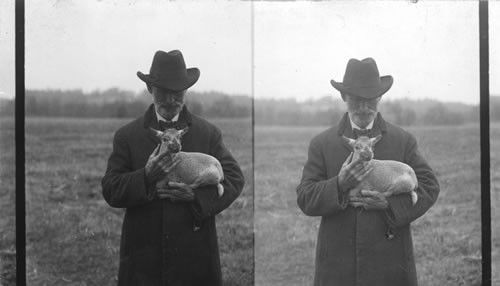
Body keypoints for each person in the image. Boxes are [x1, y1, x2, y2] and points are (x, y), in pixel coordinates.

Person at [102, 50, 245, 286]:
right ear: (150, 90)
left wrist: (197, 196)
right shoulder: (127, 136)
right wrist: (146, 177)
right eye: (163, 92)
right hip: (143, 261)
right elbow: (110, 188)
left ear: (186, 91)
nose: (170, 100)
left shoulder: (207, 133)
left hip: (195, 258)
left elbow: (234, 179)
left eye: (177, 93)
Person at [296, 58, 440, 286]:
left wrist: (390, 204)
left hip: (390, 264)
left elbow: (429, 187)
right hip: (337, 267)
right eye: (356, 99)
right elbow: (305, 196)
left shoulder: (403, 141)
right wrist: (339, 185)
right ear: (344, 98)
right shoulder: (322, 144)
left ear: (380, 98)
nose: (364, 107)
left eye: (370, 99)